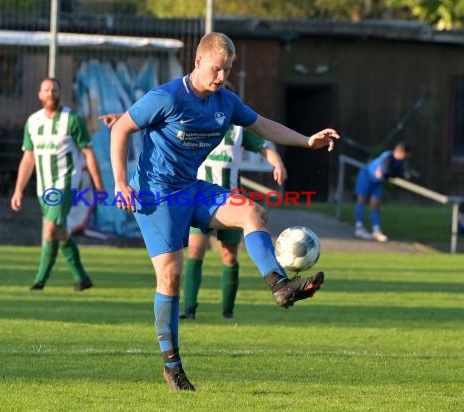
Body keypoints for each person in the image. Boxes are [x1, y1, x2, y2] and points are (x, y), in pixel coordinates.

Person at [109, 32, 339, 391]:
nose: (221, 77)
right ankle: (171, 365)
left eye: (227, 70)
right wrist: (121, 183)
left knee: (251, 211)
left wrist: (307, 140)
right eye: (216, 69)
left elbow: (262, 125)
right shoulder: (167, 97)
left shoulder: (225, 101)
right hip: (156, 196)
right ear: (198, 62)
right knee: (170, 277)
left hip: (191, 188)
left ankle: (279, 285)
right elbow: (121, 128)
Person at [180, 122, 287, 321]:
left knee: (229, 256)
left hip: (232, 201)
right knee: (195, 251)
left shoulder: (238, 130)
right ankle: (189, 310)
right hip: (200, 199)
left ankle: (227, 311)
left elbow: (264, 147)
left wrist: (277, 164)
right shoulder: (200, 121)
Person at [10, 77, 104, 291]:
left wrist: (99, 187)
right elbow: (28, 159)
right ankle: (81, 278)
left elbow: (88, 154)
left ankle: (39, 281)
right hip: (44, 187)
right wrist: (18, 190)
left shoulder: (72, 119)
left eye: (54, 89)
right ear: (39, 95)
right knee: (58, 231)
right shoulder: (33, 122)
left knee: (51, 227)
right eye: (46, 89)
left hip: (66, 183)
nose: (51, 93)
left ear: (59, 93)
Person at [354, 142, 411, 242]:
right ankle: (359, 227)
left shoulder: (400, 161)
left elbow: (396, 173)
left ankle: (376, 230)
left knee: (375, 205)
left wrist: (404, 175)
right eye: (406, 155)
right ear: (401, 152)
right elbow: (387, 171)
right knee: (361, 200)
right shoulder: (387, 157)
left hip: (377, 182)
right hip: (366, 177)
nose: (407, 157)